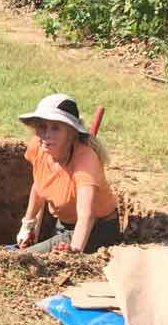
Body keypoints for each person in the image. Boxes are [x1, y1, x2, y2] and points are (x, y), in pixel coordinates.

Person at [14, 93, 119, 254]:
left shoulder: (85, 161)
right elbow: (39, 185)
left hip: (96, 231)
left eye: (56, 128)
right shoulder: (39, 146)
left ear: (71, 133)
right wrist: (28, 224)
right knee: (23, 255)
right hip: (63, 224)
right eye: (42, 127)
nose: (47, 135)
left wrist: (73, 253)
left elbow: (87, 216)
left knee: (21, 259)